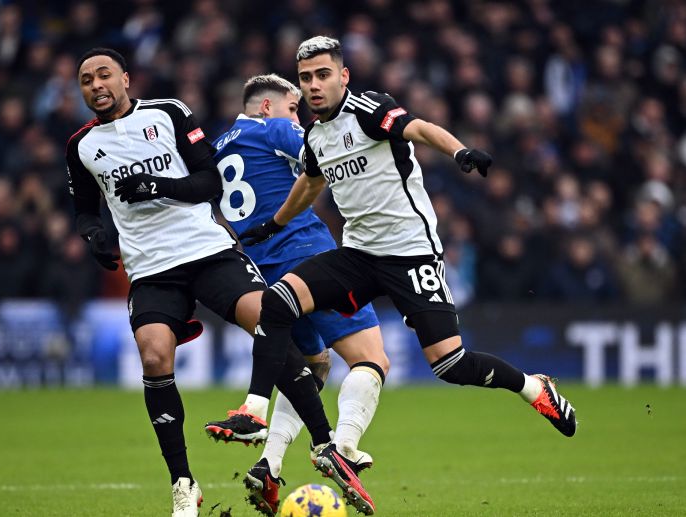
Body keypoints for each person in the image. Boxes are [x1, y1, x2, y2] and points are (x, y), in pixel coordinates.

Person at [210, 35, 578, 514]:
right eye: (305, 79)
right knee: (278, 302)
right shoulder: (315, 137)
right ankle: (271, 417)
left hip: (410, 254)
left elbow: (419, 128)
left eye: (323, 75)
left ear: (343, 76)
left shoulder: (368, 110)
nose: (314, 86)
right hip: (358, 255)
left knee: (450, 365)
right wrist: (273, 224)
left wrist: (461, 152)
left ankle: (533, 387)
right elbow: (309, 182)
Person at [67, 48, 335, 517]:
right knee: (153, 356)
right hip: (151, 268)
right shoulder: (81, 147)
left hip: (207, 250)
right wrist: (92, 234)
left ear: (126, 79)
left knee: (267, 318)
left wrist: (157, 186)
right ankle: (183, 484)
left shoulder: (169, 113)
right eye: (86, 80)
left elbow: (210, 182)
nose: (95, 85)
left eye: (104, 74)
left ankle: (324, 443)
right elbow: (86, 207)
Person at [209, 73, 389, 516]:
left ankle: (268, 464)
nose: (299, 116)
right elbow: (324, 153)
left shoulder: (217, 147)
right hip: (307, 257)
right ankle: (342, 445)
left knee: (314, 365)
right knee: (373, 358)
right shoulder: (273, 127)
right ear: (268, 107)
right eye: (293, 108)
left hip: (261, 271)